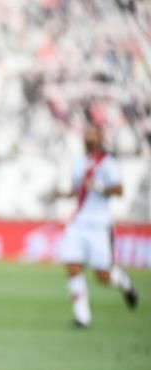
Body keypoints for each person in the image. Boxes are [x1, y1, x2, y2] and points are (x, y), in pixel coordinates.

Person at [51, 122, 138, 327]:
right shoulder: (79, 162)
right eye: (87, 133)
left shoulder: (108, 163)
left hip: (99, 226)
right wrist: (61, 194)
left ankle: (125, 283)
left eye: (93, 134)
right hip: (78, 223)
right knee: (72, 267)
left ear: (101, 138)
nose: (89, 137)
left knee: (102, 276)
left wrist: (100, 187)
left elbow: (119, 190)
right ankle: (82, 317)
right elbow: (77, 191)